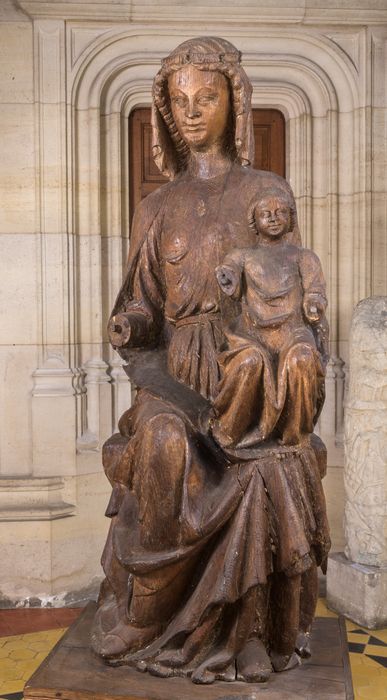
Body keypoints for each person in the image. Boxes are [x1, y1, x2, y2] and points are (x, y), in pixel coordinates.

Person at [91, 37, 330, 685]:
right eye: (179, 99)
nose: (192, 110)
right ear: (166, 111)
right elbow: (139, 304)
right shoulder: (155, 207)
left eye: (207, 95)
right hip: (170, 373)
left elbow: (290, 285)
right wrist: (129, 320)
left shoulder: (265, 191)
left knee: (267, 467)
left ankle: (250, 632)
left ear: (234, 100)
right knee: (166, 442)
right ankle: (149, 608)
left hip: (243, 369)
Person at [211, 189, 328, 451]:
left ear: (291, 218)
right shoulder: (243, 255)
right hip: (253, 333)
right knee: (250, 361)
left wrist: (313, 303)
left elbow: (315, 290)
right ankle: (231, 432)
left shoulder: (304, 257)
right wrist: (227, 277)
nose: (274, 218)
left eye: (281, 212)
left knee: (302, 358)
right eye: (266, 214)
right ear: (255, 221)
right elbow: (229, 270)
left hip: (293, 330)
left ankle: (293, 436)